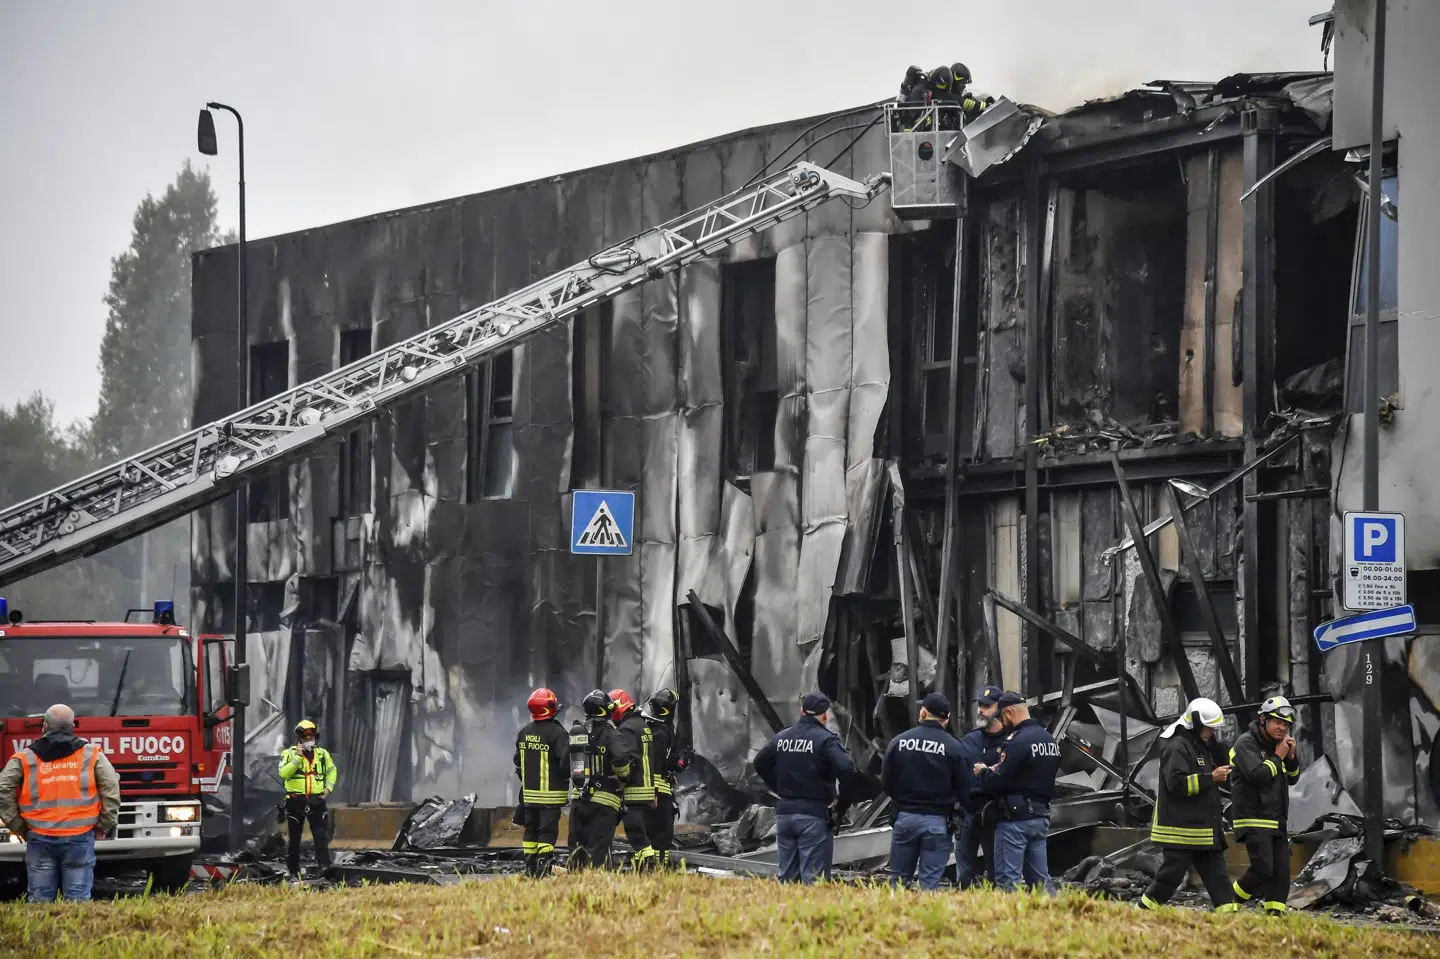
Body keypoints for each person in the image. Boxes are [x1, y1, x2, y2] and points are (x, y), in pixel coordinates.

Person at [0, 704, 120, 902]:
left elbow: (3, 789)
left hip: (39, 835)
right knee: (78, 899)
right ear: (72, 726)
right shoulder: (92, 754)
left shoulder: (24, 757)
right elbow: (111, 788)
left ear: (44, 726)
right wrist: (104, 824)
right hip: (80, 837)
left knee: (40, 900)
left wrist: (17, 825)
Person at [1139, 697, 1238, 913]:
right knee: (1170, 878)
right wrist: (1211, 777)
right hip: (1180, 831)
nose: (1212, 732)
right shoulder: (1177, 747)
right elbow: (1176, 784)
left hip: (1202, 831)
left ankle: (1231, 919)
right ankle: (1140, 913)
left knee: (1218, 879)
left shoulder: (1198, 747)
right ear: (1196, 723)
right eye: (1209, 727)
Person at [754, 692, 856, 884]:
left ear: (801, 711)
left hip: (785, 815)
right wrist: (841, 805)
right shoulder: (826, 740)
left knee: (787, 879)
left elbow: (760, 762)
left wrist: (779, 787)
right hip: (814, 817)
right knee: (814, 881)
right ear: (824, 716)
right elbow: (847, 771)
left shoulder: (782, 737)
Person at [972, 691, 1061, 893]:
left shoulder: (1016, 741)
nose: (1002, 723)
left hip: (1014, 820)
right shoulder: (1048, 739)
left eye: (1002, 717)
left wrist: (984, 772)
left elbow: (998, 781)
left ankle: (1010, 914)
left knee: (1007, 881)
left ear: (1010, 713)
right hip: (1040, 816)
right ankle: (1052, 911)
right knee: (1040, 881)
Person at [881, 692, 970, 890]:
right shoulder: (955, 747)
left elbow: (886, 782)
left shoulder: (899, 742)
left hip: (905, 818)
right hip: (938, 822)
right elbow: (965, 788)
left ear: (923, 713)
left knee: (898, 882)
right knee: (929, 884)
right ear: (947, 719)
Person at [1230, 695, 1301, 915]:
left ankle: (1275, 915)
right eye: (1277, 722)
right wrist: (1278, 756)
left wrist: (1290, 757)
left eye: (1286, 724)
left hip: (1277, 818)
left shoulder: (1278, 746)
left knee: (1281, 872)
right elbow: (1257, 775)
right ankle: (1229, 899)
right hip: (1253, 817)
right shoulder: (1246, 743)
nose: (1282, 728)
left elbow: (1293, 778)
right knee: (1263, 869)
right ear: (1263, 720)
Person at [568, 688, 631, 870]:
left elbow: (566, 763)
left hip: (578, 800)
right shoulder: (612, 735)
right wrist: (623, 776)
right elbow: (621, 759)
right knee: (597, 853)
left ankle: (574, 883)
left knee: (577, 851)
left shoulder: (577, 734)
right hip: (604, 803)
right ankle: (594, 883)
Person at [513, 687, 569, 878]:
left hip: (529, 796)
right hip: (551, 797)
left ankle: (530, 869)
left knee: (531, 830)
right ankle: (544, 869)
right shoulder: (558, 733)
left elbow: (518, 763)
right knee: (547, 832)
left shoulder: (524, 732)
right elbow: (566, 763)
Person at [955, 685, 1007, 887]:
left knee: (997, 871)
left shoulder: (1011, 740)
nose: (981, 710)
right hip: (968, 811)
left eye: (987, 706)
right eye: (980, 706)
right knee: (963, 872)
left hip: (996, 812)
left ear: (1000, 709)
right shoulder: (970, 739)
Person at [278, 719, 338, 883]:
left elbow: (332, 771)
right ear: (299, 739)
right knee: (294, 837)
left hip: (316, 800)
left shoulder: (322, 754)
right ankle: (293, 870)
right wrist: (297, 758)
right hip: (296, 801)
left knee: (320, 835)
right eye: (305, 738)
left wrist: (328, 789)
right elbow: (284, 773)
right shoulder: (289, 754)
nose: (309, 741)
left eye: (311, 738)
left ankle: (324, 867)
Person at [609, 688, 659, 871]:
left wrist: (619, 779)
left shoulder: (627, 728)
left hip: (635, 791)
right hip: (646, 789)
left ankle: (649, 867)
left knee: (636, 833)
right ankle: (643, 868)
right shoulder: (642, 725)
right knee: (641, 832)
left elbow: (630, 759)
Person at [642, 688, 690, 869]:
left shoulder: (660, 730)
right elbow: (654, 764)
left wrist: (672, 770)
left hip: (659, 790)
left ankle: (656, 868)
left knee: (661, 834)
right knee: (661, 833)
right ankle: (657, 869)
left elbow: (663, 761)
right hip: (658, 793)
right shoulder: (660, 733)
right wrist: (653, 792)